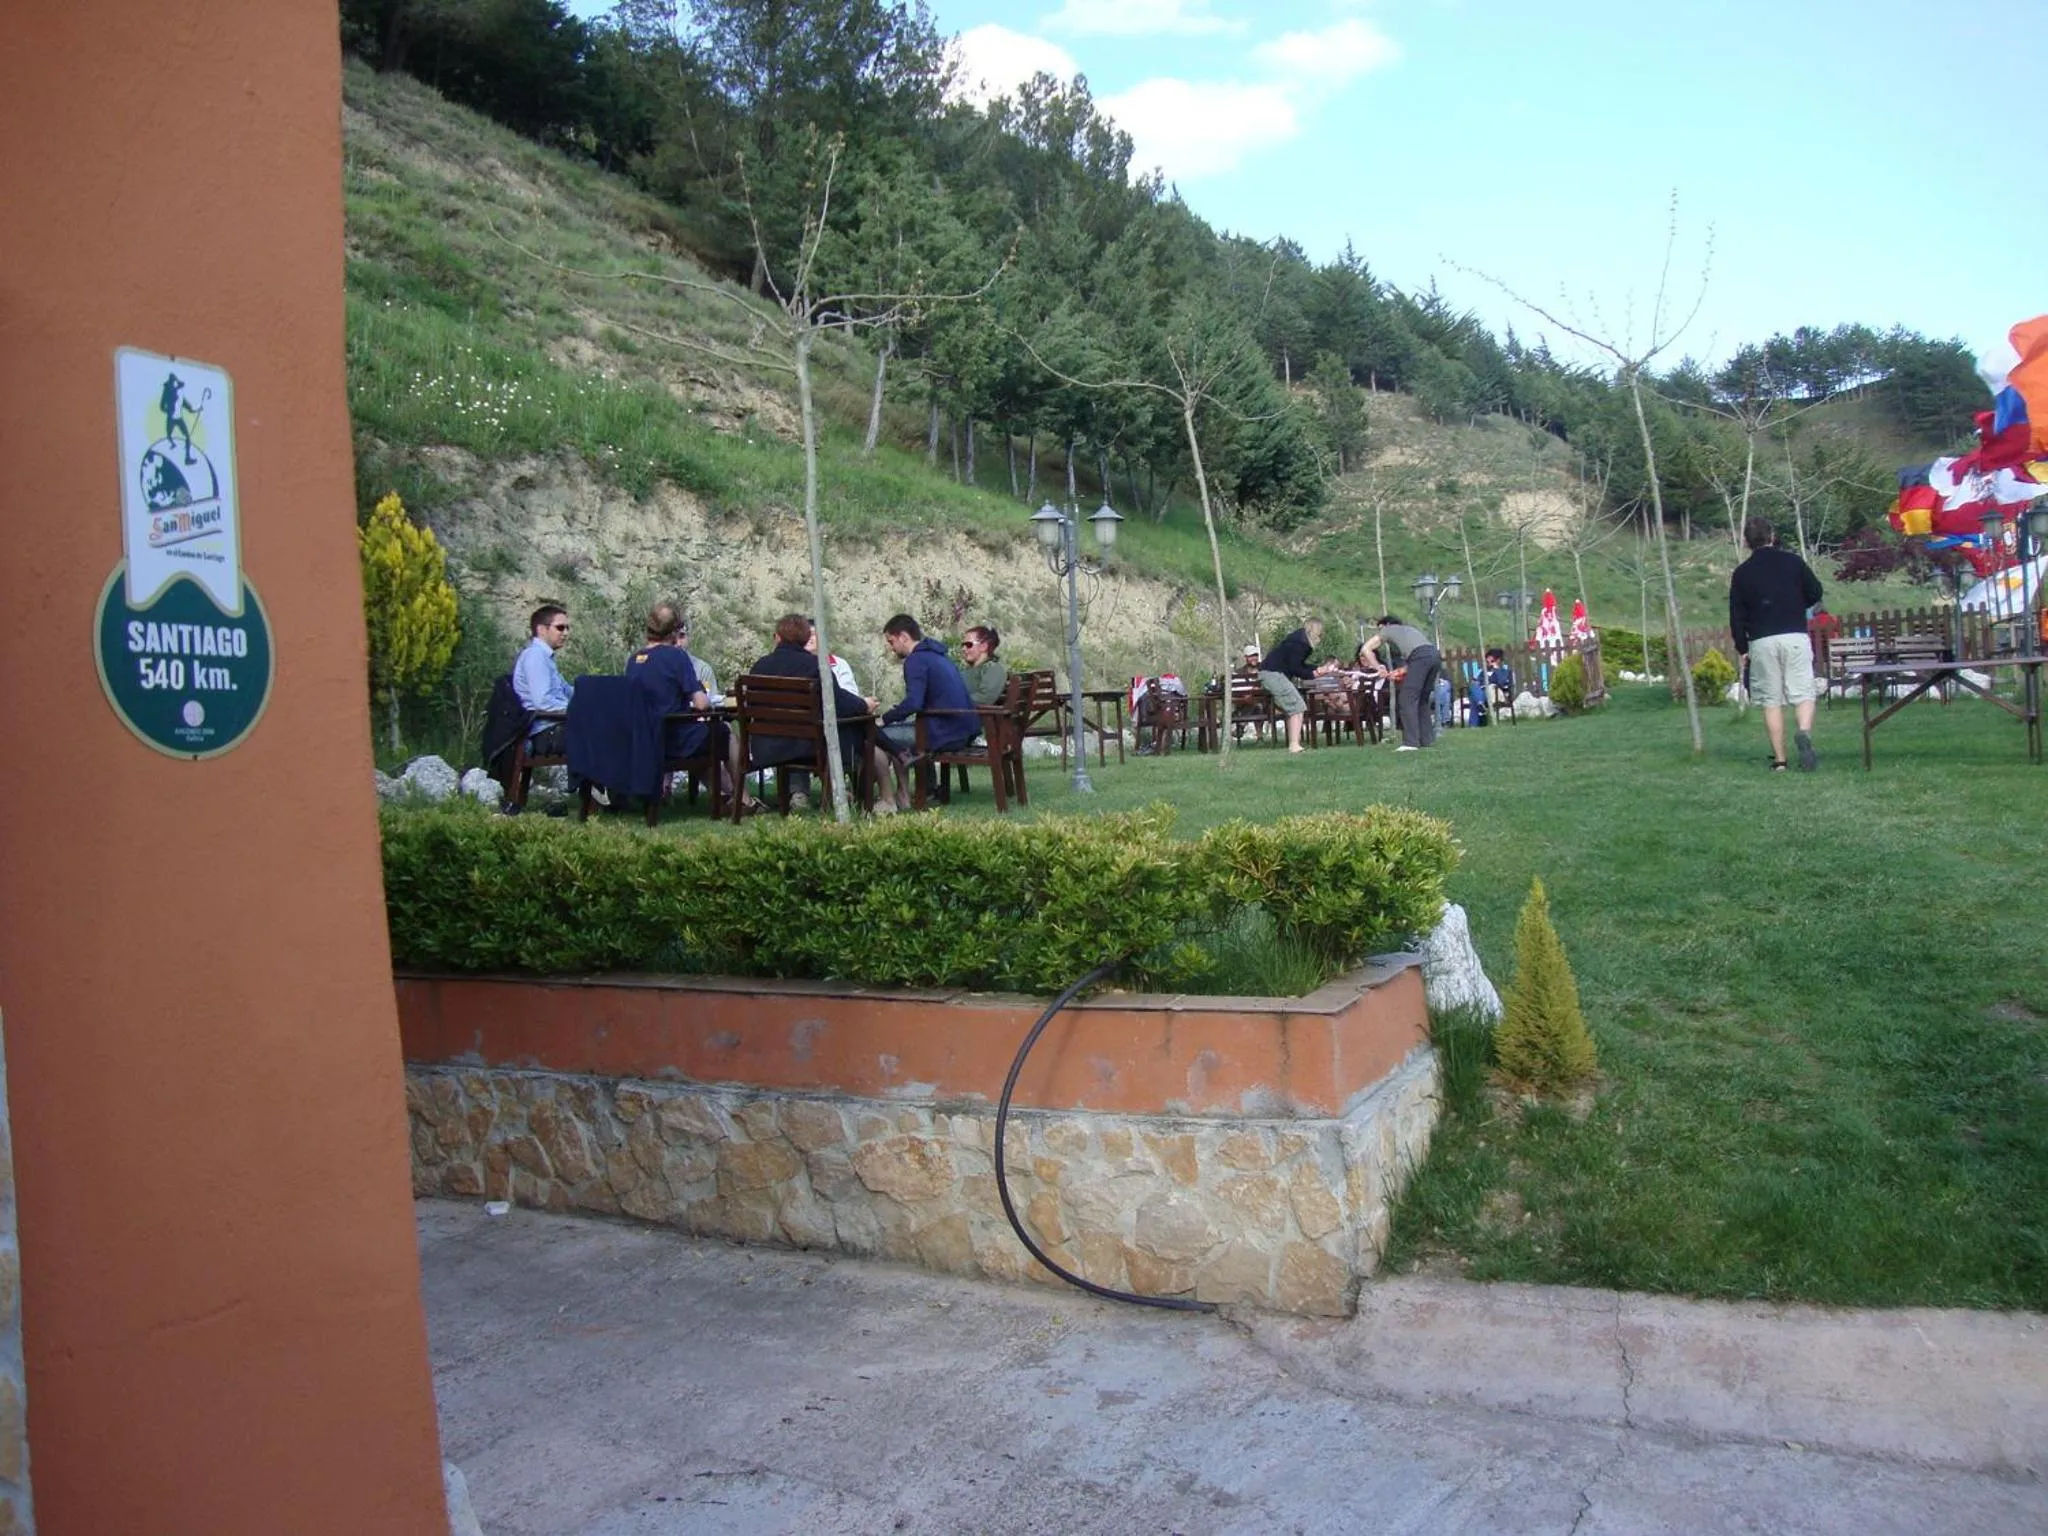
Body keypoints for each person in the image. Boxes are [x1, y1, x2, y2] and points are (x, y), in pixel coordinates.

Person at [626, 602, 751, 811]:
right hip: (672, 739)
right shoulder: (676, 657)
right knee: (725, 734)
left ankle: (723, 795)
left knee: (703, 738)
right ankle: (743, 799)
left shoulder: (633, 660)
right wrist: (706, 700)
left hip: (643, 740)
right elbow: (701, 704)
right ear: (674, 631)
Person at [747, 613, 873, 811]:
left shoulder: (759, 666)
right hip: (805, 747)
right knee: (857, 730)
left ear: (778, 637)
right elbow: (838, 702)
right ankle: (858, 796)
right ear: (806, 638)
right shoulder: (815, 666)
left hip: (765, 746)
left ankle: (801, 795)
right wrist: (863, 705)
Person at [1729, 515, 1824, 771]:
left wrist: (1742, 647)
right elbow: (1816, 591)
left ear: (1747, 542)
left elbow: (1736, 615)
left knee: (1771, 700)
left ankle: (1780, 761)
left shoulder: (1742, 573)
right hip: (1794, 635)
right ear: (1772, 536)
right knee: (1803, 692)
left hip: (1762, 641)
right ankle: (1803, 731)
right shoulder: (1793, 562)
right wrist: (1797, 603)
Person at [868, 614, 976, 811]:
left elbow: (914, 703)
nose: (891, 648)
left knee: (876, 734)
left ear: (903, 637)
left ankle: (888, 799)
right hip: (961, 729)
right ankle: (903, 795)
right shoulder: (937, 656)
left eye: (891, 642)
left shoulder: (916, 660)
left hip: (943, 732)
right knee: (895, 738)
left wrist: (884, 719)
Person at [1360, 614, 1442, 752]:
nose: (1380, 633)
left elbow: (1365, 649)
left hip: (1420, 657)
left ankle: (1410, 743)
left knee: (1406, 698)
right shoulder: (1409, 630)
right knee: (1421, 699)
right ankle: (1426, 739)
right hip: (1434, 655)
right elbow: (1420, 657)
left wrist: (1378, 667)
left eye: (1379, 629)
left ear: (1386, 625)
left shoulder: (1388, 629)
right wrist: (1399, 672)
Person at [1259, 619, 1337, 754]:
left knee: (1295, 708)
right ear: (1315, 632)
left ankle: (1295, 743)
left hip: (1271, 673)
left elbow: (1298, 664)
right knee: (1297, 707)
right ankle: (1294, 745)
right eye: (1320, 634)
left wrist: (1317, 669)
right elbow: (1295, 668)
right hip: (1273, 674)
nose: (1321, 637)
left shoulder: (1297, 640)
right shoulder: (1301, 644)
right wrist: (1315, 673)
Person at [513, 602, 574, 757]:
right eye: (560, 628)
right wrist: (579, 709)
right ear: (541, 629)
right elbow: (543, 702)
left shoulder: (546, 658)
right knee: (609, 733)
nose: (566, 633)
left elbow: (568, 691)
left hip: (557, 727)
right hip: (545, 733)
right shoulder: (535, 656)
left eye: (567, 628)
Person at [959, 624, 1010, 710]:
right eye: (963, 645)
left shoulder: (994, 669)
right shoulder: (970, 669)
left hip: (970, 715)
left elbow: (985, 699)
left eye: (968, 645)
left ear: (983, 646)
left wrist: (952, 700)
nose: (963, 649)